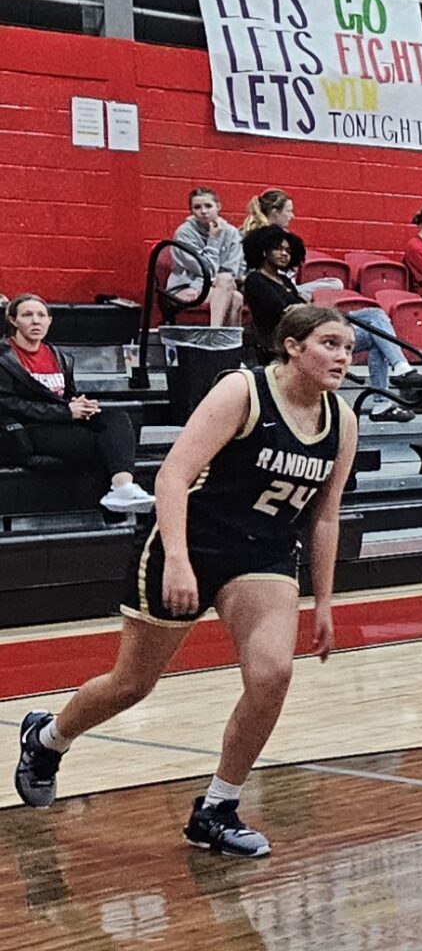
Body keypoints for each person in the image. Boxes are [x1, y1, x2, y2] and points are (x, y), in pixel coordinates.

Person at [14, 305, 357, 857]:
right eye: (331, 343)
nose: (343, 356)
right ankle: (49, 738)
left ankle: (218, 808)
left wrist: (324, 602)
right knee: (132, 684)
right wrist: (177, 558)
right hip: (190, 542)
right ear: (292, 346)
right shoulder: (242, 392)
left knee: (272, 673)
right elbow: (172, 474)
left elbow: (325, 515)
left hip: (263, 554)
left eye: (347, 346)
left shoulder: (341, 420)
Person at [243, 226, 418, 422]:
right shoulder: (256, 280)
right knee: (374, 317)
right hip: (287, 343)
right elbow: (285, 313)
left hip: (312, 335)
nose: (284, 254)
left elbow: (299, 309)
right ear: (264, 250)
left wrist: (303, 309)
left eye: (288, 251)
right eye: (278, 249)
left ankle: (382, 403)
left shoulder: (284, 280)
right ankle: (401, 368)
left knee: (376, 331)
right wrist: (302, 309)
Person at [0, 294, 155, 512]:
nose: (35, 321)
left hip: (61, 421)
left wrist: (79, 404)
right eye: (27, 315)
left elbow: (64, 394)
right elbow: (7, 403)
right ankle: (119, 494)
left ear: (49, 321)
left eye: (41, 315)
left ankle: (123, 487)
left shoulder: (59, 356)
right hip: (27, 429)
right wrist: (65, 412)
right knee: (106, 445)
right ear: (13, 321)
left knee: (115, 417)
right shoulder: (4, 356)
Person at [169, 187, 243, 327]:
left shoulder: (231, 232)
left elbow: (231, 271)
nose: (203, 211)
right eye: (197, 207)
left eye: (208, 206)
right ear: (191, 211)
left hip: (213, 287)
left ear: (218, 207)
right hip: (185, 288)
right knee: (230, 289)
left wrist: (202, 285)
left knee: (236, 296)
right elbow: (205, 270)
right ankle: (215, 335)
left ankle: (227, 345)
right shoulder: (184, 233)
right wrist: (213, 240)